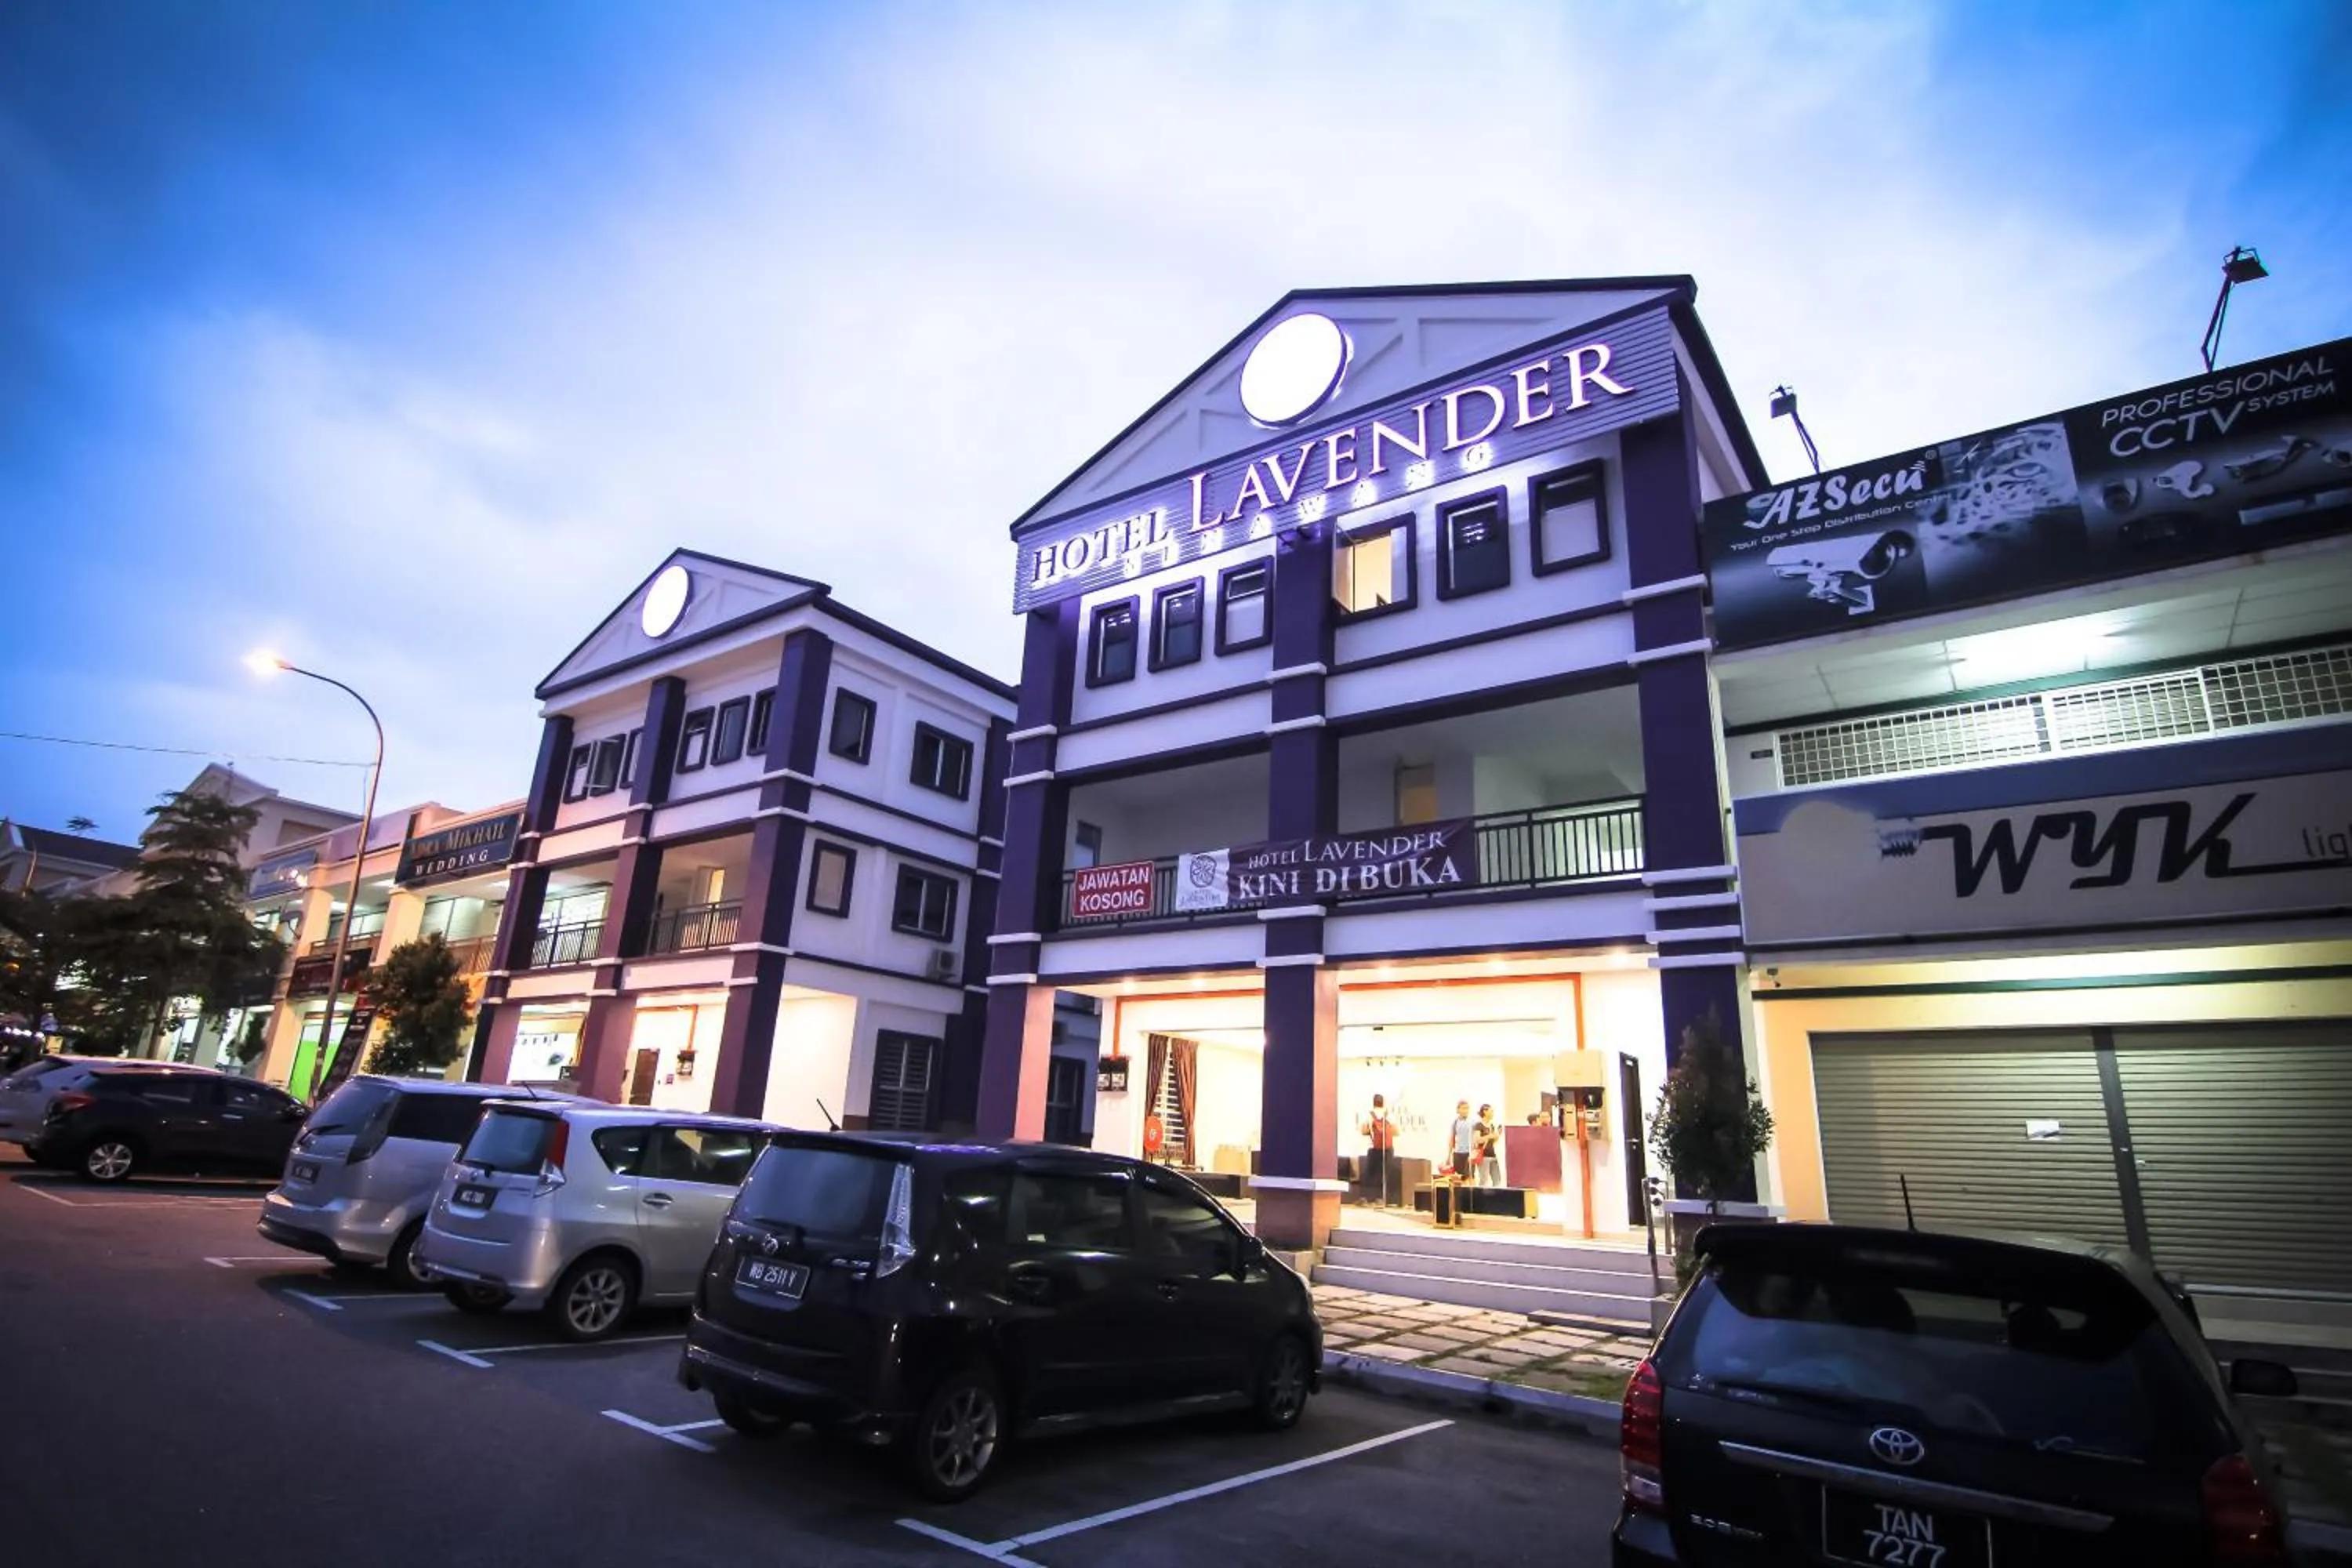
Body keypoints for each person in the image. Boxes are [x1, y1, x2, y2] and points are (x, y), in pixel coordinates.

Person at [1360, 1093, 1396, 1206]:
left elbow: (1363, 1131)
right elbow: (1396, 1131)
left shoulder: (1369, 1115)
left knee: (1370, 1173)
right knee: (1383, 1174)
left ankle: (1365, 1198)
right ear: (1383, 1103)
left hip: (1374, 1148)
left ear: (1374, 1103)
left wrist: (1372, 1132)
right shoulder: (1389, 1114)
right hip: (1387, 1149)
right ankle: (1380, 1199)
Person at [1474, 1103, 1501, 1187]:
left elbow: (1493, 1142)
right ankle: (1480, 1194)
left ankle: (1496, 1194)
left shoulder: (1492, 1126)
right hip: (1484, 1156)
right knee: (1484, 1179)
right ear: (1485, 1111)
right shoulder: (1479, 1125)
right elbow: (1477, 1140)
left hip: (1492, 1154)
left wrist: (1497, 1136)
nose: (1493, 1113)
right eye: (1491, 1111)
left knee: (1497, 1179)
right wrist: (1489, 1136)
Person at [1448, 1100, 1475, 1182]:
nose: (1465, 1111)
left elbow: (1476, 1138)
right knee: (1459, 1178)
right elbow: (1452, 1139)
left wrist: (1474, 1152)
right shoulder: (1455, 1122)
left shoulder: (1472, 1122)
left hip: (1469, 1153)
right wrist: (1448, 1156)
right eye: (1463, 1108)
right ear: (1458, 1110)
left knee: (1470, 1177)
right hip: (1458, 1153)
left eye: (1467, 1108)